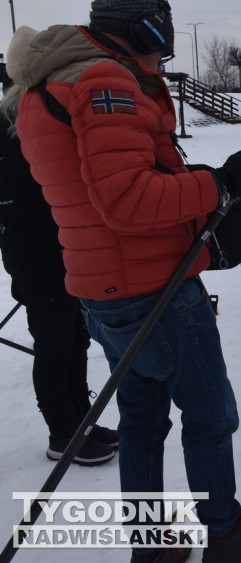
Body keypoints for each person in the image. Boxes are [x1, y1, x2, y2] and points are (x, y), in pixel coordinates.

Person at [10, 0, 241, 563]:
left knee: (142, 419)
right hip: (152, 288)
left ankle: (152, 542)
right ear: (143, 30)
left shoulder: (46, 89)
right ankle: (223, 531)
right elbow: (129, 201)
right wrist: (223, 183)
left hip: (103, 289)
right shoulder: (104, 82)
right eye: (160, 33)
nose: (163, 52)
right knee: (211, 415)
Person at [1, 27, 118, 466]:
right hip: (35, 251)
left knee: (77, 337)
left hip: (67, 245)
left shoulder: (47, 109)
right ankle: (61, 431)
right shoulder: (8, 121)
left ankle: (81, 420)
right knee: (52, 342)